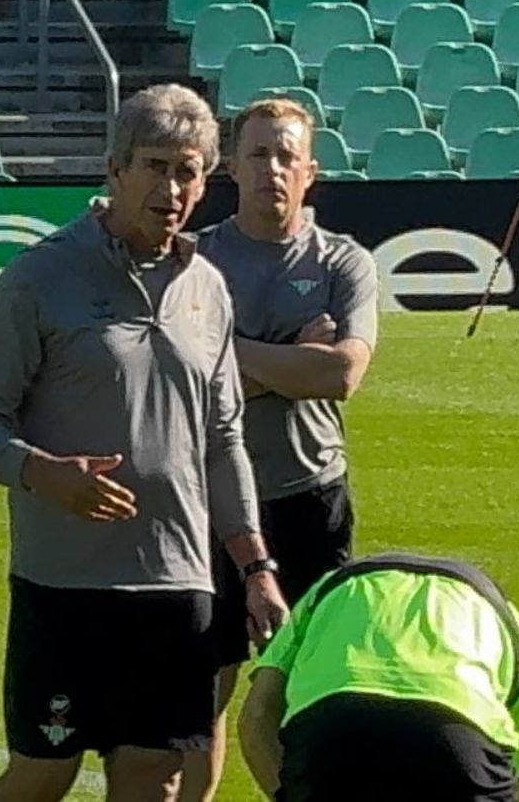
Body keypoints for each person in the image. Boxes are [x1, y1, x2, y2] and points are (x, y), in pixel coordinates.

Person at [0, 83, 289, 802]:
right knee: (45, 772)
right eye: (156, 166)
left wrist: (254, 565)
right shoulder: (41, 278)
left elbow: (223, 437)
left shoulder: (207, 288)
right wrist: (44, 474)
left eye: (189, 171)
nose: (172, 188)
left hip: (178, 583)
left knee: (156, 778)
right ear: (115, 170)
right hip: (64, 583)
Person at [183, 97, 379, 800]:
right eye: (259, 153)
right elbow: (180, 378)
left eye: (287, 155)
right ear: (230, 166)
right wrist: (286, 361)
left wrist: (229, 359)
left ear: (310, 171)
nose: (273, 168)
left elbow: (341, 374)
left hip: (310, 499)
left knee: (310, 686)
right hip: (209, 503)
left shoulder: (342, 262)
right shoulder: (194, 258)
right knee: (202, 694)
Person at [238, 551, 519, 802]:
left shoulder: (325, 593)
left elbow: (256, 715)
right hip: (457, 743)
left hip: (329, 735)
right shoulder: (509, 624)